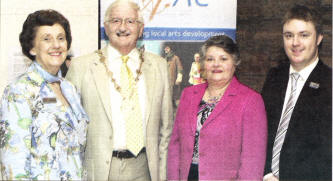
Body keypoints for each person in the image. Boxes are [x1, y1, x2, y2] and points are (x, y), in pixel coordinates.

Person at [66, 1, 173, 181]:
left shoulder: (159, 66)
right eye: (116, 20)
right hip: (99, 171)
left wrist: (162, 176)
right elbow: (67, 128)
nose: (123, 27)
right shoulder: (81, 67)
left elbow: (166, 129)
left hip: (145, 169)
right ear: (106, 28)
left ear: (141, 29)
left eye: (130, 21)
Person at [0, 9, 89, 180]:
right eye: (46, 39)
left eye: (61, 38)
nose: (56, 45)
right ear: (32, 48)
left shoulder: (70, 90)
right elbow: (13, 163)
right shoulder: (19, 91)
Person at [167, 35, 267, 180]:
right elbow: (175, 146)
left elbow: (253, 161)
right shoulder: (189, 94)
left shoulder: (251, 101)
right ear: (202, 64)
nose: (216, 64)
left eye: (223, 59)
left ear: (235, 62)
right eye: (210, 59)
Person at [262, 5, 332, 181]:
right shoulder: (274, 77)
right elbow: (263, 133)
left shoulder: (330, 83)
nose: (295, 43)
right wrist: (265, 174)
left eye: (304, 35)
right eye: (289, 35)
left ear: (319, 39)